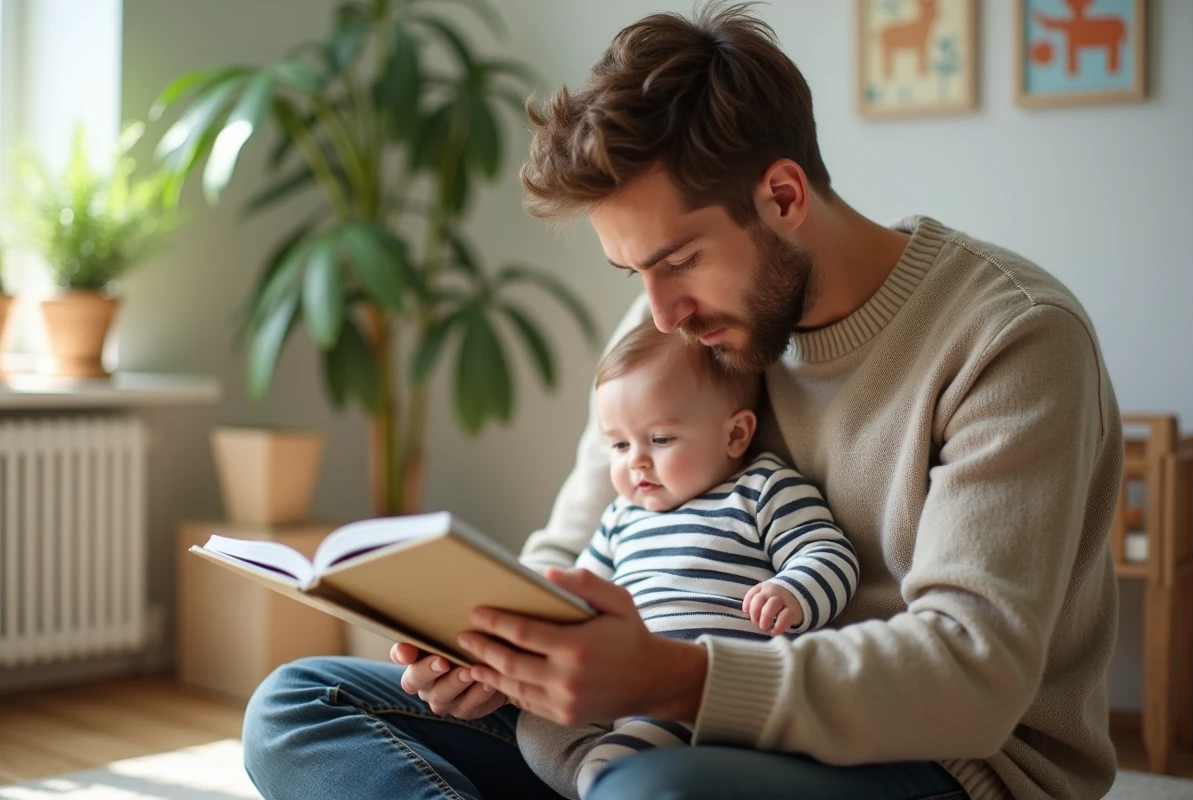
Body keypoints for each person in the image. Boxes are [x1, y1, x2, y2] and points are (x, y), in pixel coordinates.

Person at [242, 4, 1122, 799]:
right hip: (640, 725)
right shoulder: (680, 329)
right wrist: (497, 650)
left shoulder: (1010, 337)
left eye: (678, 261)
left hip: (933, 759)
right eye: (634, 273)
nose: (661, 313)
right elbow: (572, 544)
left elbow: (971, 675)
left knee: (655, 790)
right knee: (299, 703)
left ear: (783, 196)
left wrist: (669, 679)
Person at [515, 319, 860, 799]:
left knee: (644, 740)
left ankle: (608, 774)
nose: (636, 461)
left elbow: (826, 552)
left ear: (735, 434)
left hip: (715, 691)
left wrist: (794, 591)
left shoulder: (761, 488)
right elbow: (576, 596)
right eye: (619, 444)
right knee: (534, 719)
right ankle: (589, 775)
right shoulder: (620, 517)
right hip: (616, 688)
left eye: (660, 439)